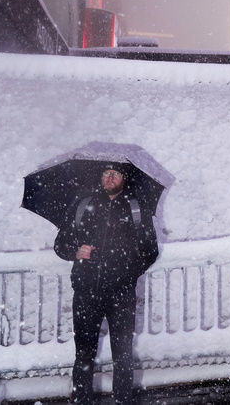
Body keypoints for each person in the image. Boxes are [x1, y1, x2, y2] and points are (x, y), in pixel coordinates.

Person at [54, 166, 159, 405]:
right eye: (106, 173)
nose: (110, 178)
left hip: (121, 294)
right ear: (100, 177)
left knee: (122, 356)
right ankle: (82, 400)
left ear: (124, 178)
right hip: (86, 292)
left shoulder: (135, 208)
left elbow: (150, 250)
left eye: (116, 174)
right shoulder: (83, 205)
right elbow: (60, 244)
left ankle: (122, 401)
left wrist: (128, 270)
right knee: (83, 355)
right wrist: (75, 250)